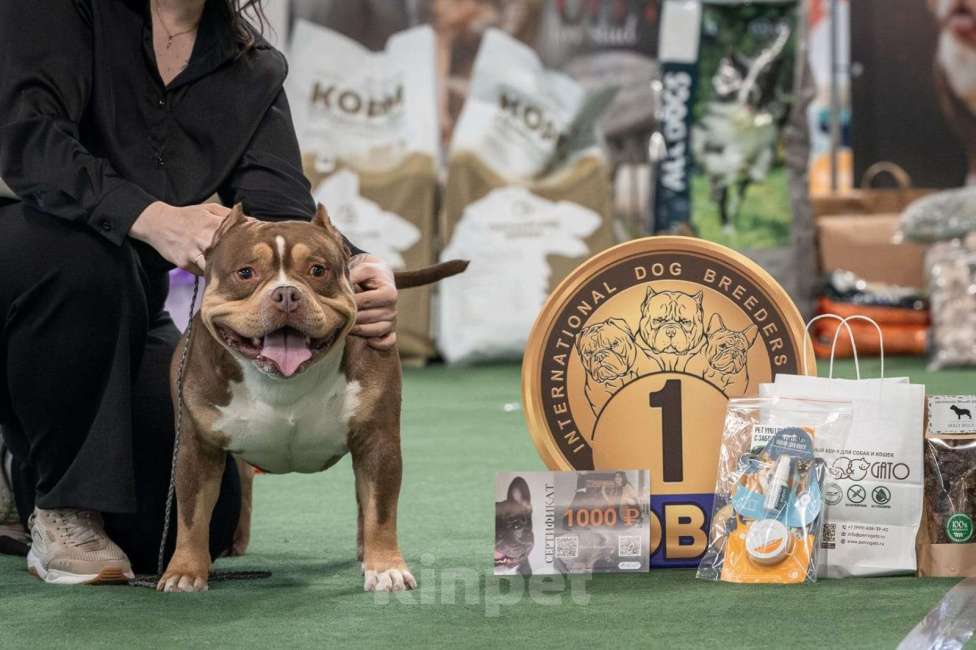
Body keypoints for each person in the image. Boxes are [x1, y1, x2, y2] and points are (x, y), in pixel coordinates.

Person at [0, 0, 400, 584]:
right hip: (27, 265)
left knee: (185, 536)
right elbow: (29, 143)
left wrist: (357, 265)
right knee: (87, 260)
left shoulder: (251, 66)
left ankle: (20, 468)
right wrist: (149, 215)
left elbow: (279, 206)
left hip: (121, 310)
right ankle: (64, 507)